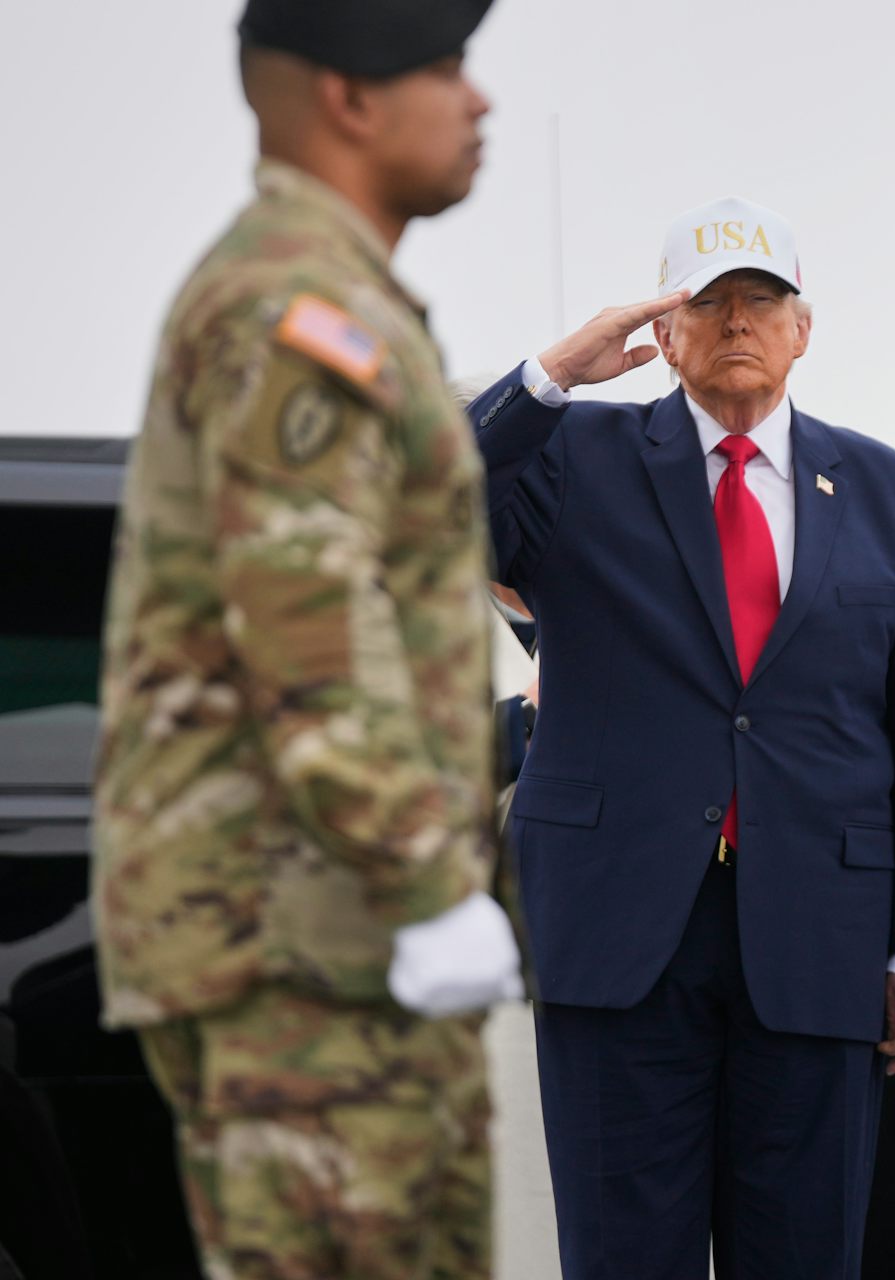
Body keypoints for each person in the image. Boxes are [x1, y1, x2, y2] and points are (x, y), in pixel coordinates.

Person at [91, 2, 526, 1276]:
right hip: (300, 939)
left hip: (334, 927)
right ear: (350, 96)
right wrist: (428, 879)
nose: (479, 100)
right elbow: (307, 622)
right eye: (445, 67)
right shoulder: (294, 306)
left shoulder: (333, 294)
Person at [467, 196, 895, 1280]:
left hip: (820, 930)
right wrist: (553, 374)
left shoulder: (888, 491)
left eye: (762, 301)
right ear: (663, 330)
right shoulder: (574, 456)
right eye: (709, 302)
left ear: (803, 329)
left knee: (803, 1253)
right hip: (620, 929)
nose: (739, 322)